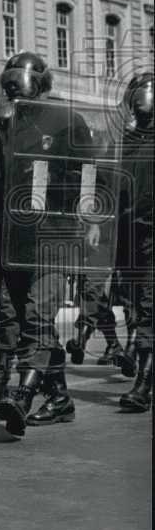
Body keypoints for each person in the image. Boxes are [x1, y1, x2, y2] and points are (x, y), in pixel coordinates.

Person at [0, 52, 87, 434]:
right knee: (24, 321)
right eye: (8, 82)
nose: (13, 88)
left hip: (53, 239)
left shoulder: (65, 124)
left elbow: (89, 179)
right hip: (11, 246)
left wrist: (86, 217)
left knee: (38, 318)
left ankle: (22, 396)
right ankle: (59, 398)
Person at [116, 72, 153, 411]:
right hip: (131, 234)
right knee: (141, 307)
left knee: (149, 308)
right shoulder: (127, 140)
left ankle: (143, 383)